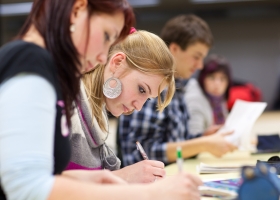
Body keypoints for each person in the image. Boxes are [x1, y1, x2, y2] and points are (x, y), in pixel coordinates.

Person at [0, 0, 202, 199]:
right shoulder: (31, 59)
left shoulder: (45, 68)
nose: (104, 57)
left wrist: (105, 180)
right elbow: (26, 188)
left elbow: (48, 176)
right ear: (78, 10)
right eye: (106, 36)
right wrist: (148, 193)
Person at [118, 14, 237, 167]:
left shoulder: (179, 87)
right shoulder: (151, 85)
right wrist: (203, 144)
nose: (200, 65)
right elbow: (143, 152)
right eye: (196, 56)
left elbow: (177, 142)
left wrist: (203, 137)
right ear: (174, 49)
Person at [67, 29, 175, 183]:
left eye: (148, 98)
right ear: (117, 63)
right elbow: (37, 186)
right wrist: (122, 177)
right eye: (141, 89)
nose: (139, 107)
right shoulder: (66, 104)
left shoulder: (96, 119)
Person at [185, 54, 232, 136]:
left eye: (222, 79)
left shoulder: (218, 99)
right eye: (212, 77)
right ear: (203, 78)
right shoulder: (195, 98)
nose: (217, 84)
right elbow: (193, 137)